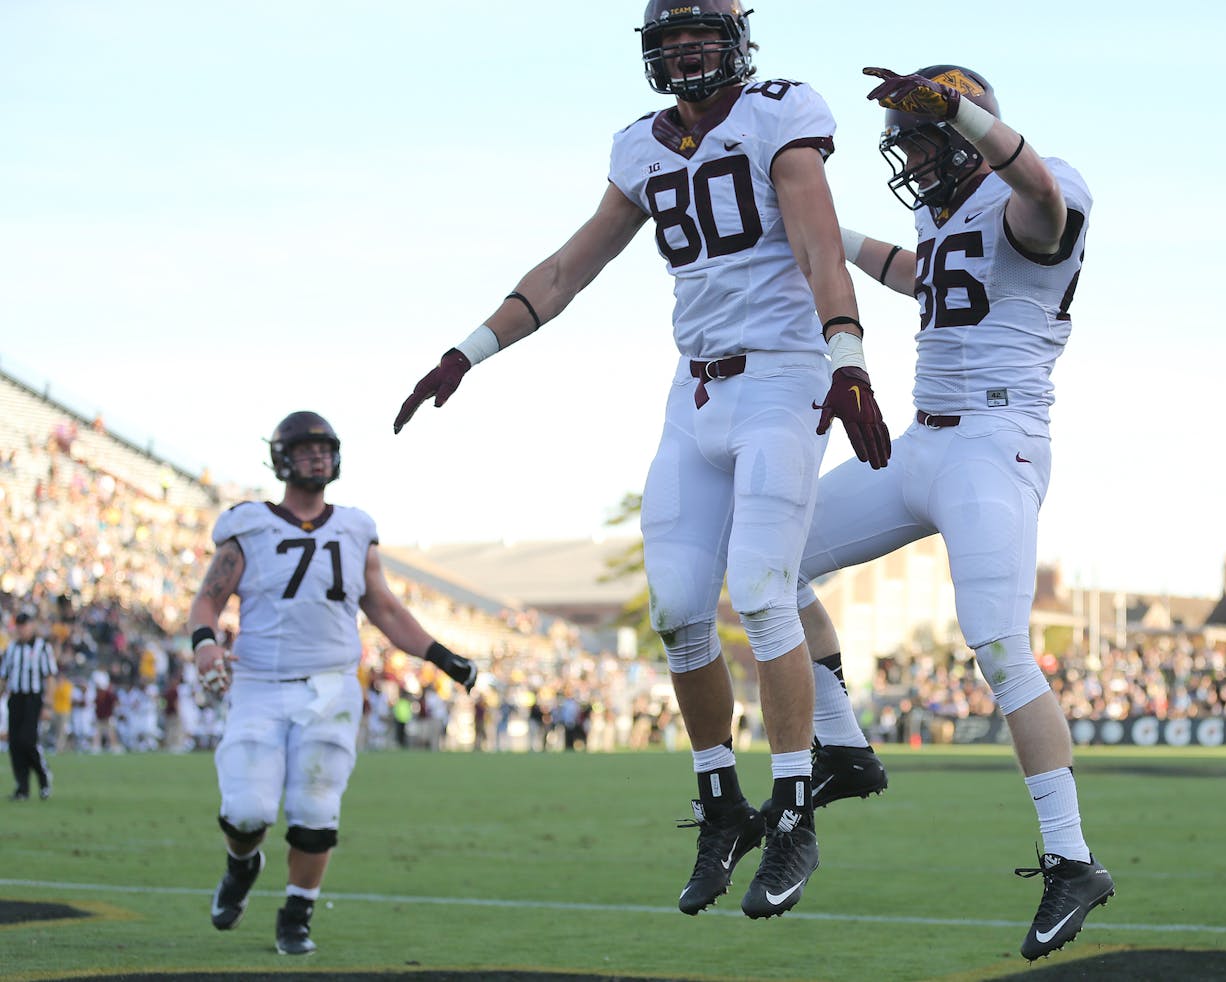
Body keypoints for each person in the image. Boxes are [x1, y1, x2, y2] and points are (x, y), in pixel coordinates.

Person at [392, 0, 891, 920]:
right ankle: (720, 803)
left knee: (762, 587)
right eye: (670, 39)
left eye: (702, 34)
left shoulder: (782, 111)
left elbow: (822, 247)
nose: (687, 52)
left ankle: (792, 815)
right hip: (693, 392)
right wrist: (469, 347)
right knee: (675, 608)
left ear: (738, 37)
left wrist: (849, 358)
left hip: (785, 377)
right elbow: (567, 270)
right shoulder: (638, 147)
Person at [793, 65, 1113, 960]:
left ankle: (1071, 859)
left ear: (969, 135)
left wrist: (965, 117)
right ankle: (845, 749)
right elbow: (919, 271)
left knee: (1001, 646)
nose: (916, 162)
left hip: (994, 443)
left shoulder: (1042, 192)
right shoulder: (943, 216)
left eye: (928, 140)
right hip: (921, 442)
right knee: (769, 559)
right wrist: (831, 236)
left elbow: (1036, 189)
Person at [189, 411, 479, 956]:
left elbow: (385, 608)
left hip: (330, 686)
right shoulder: (248, 524)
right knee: (247, 809)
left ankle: (297, 915)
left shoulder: (355, 527)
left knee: (317, 807)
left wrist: (442, 656)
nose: (318, 456)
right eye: (306, 448)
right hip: (258, 683)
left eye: (325, 447)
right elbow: (209, 596)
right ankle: (242, 862)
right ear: (282, 458)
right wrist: (205, 641)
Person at [1, 606, 57, 801]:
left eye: (25, 625)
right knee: (15, 744)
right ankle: (22, 787)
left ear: (32, 626)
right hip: (15, 698)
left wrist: (48, 704)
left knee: (27, 740)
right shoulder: (11, 649)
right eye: (19, 626)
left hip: (32, 698)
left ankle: (43, 777)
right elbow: (3, 677)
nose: (22, 629)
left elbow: (50, 677)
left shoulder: (42, 647)